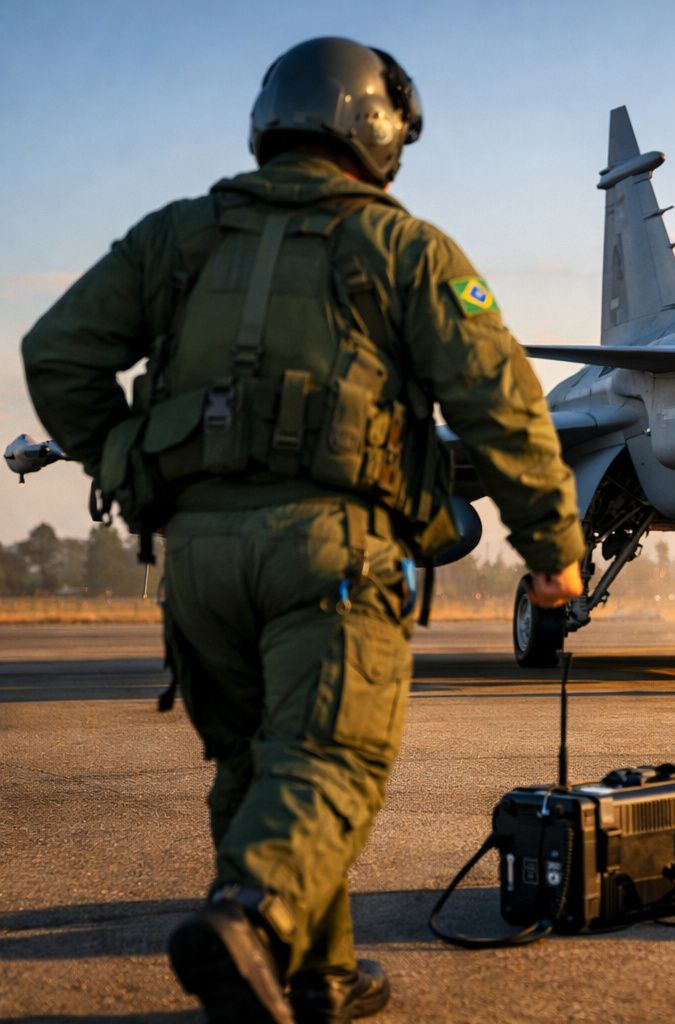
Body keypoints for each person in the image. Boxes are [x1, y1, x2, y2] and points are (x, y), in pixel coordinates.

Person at [20, 36, 584, 1024]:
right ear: (373, 128)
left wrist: (127, 463)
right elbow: (503, 406)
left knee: (257, 761)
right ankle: (252, 916)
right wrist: (554, 552)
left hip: (196, 566)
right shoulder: (405, 249)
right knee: (331, 758)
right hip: (330, 552)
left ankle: (317, 975)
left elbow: (56, 351)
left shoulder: (179, 237)